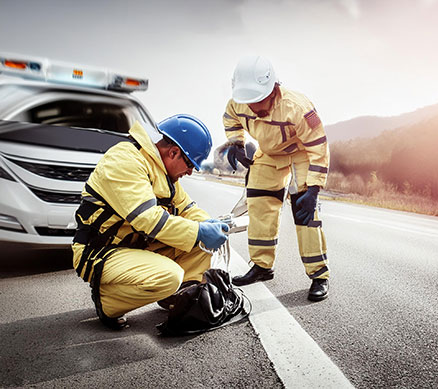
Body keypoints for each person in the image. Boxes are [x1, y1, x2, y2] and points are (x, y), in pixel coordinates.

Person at [72, 114, 229, 329]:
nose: (190, 172)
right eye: (190, 164)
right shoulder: (125, 160)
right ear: (173, 152)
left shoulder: (163, 173)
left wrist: (208, 224)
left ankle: (175, 297)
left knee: (201, 246)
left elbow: (187, 208)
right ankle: (108, 301)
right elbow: (148, 219)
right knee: (170, 275)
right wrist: (199, 231)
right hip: (100, 251)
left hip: (134, 247)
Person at [222, 55, 330, 301]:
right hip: (269, 154)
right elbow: (230, 119)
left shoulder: (299, 108)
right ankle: (262, 266)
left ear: (273, 89)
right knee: (259, 204)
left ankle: (319, 275)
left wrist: (313, 188)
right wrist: (236, 143)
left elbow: (319, 149)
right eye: (248, 102)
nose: (254, 108)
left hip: (300, 153)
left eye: (258, 100)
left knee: (305, 213)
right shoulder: (239, 102)